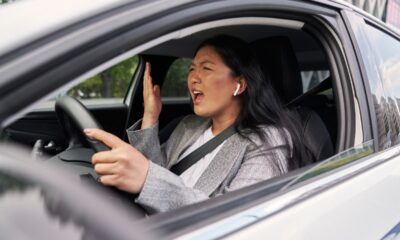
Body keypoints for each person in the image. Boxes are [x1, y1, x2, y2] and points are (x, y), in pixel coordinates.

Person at [84, 35, 306, 213]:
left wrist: (148, 181)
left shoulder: (268, 140)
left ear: (239, 84)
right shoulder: (189, 125)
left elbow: (236, 217)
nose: (193, 78)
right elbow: (155, 171)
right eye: (191, 69)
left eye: (206, 68)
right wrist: (150, 117)